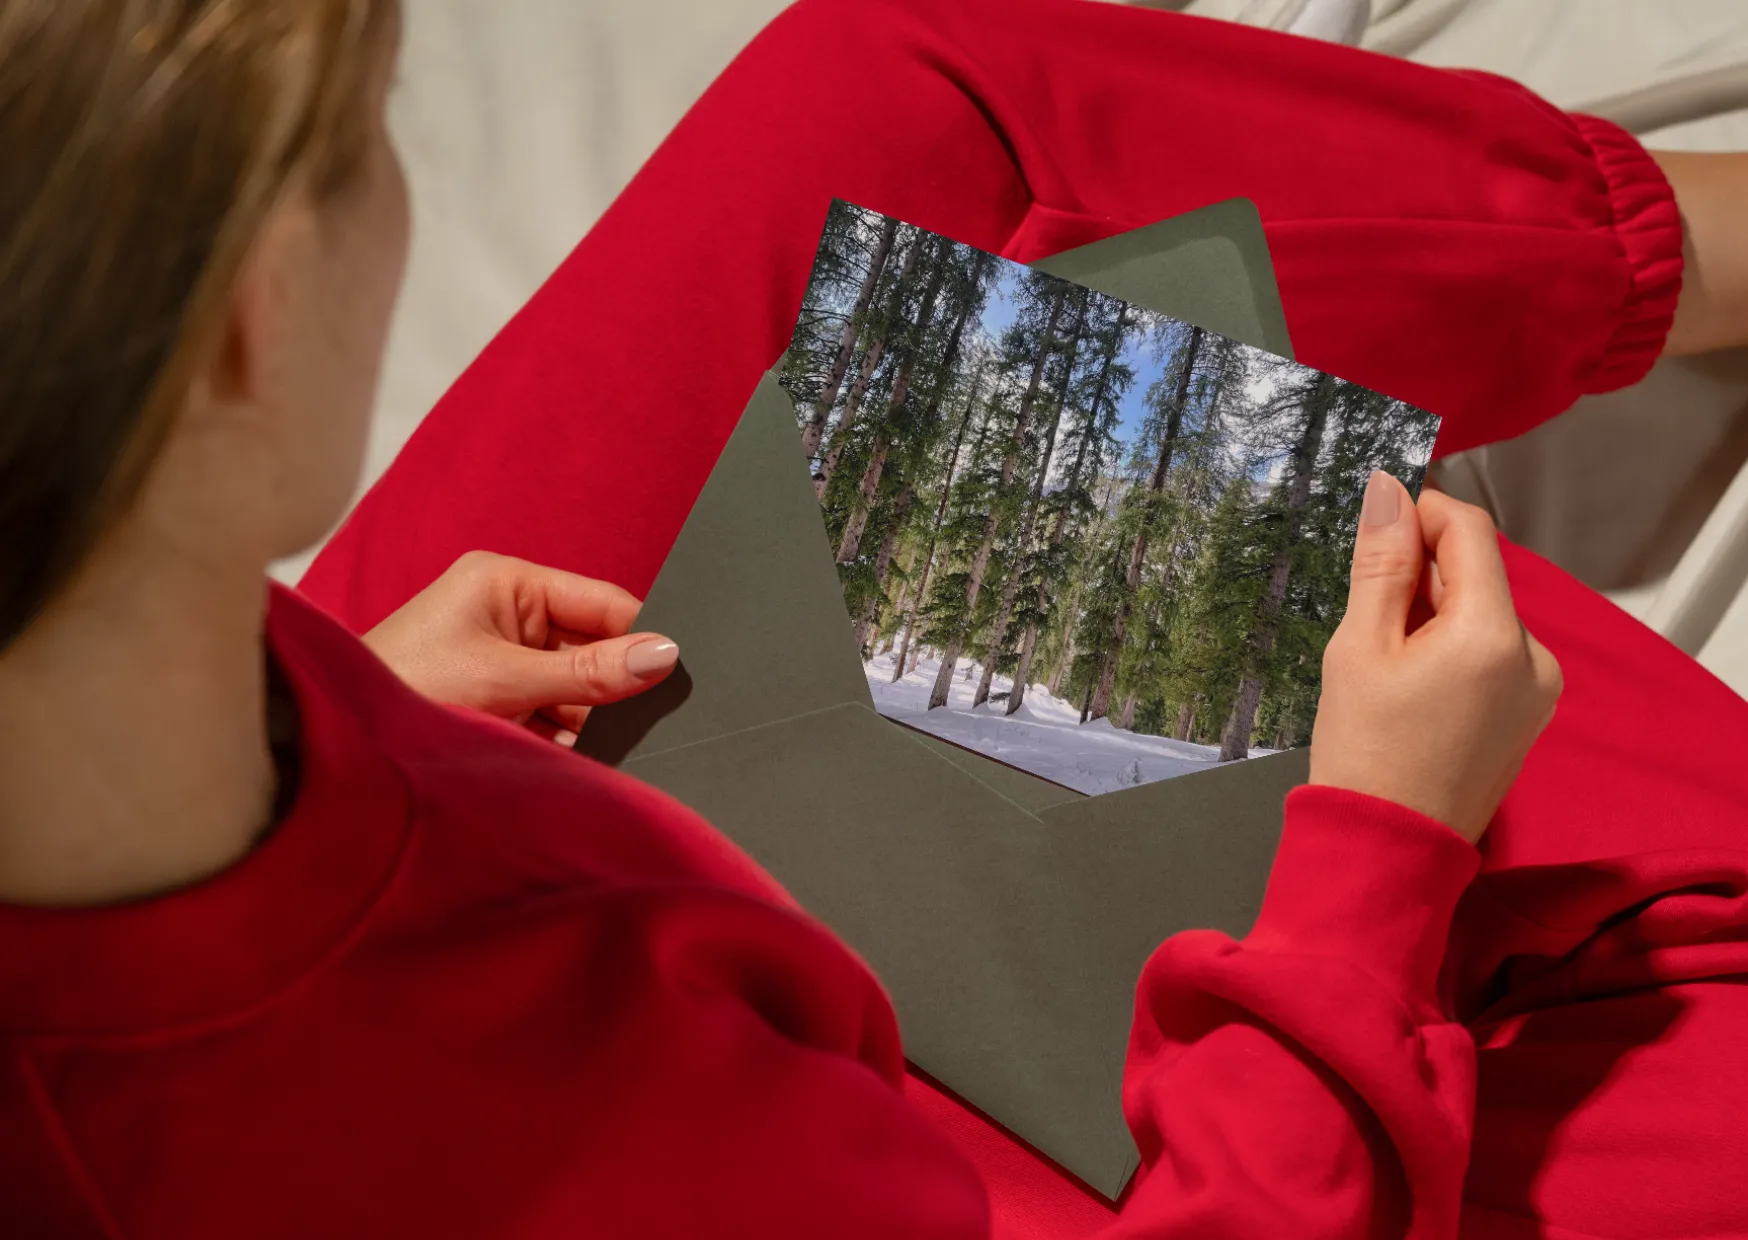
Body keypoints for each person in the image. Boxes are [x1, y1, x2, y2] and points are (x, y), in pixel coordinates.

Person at [0, 1, 1744, 1238]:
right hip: (882, 1125)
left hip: (261, 737)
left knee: (906, 99)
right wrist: (1376, 859)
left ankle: (1674, 254)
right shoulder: (609, 1165)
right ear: (245, 331)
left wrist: (336, 712)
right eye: (360, 148)